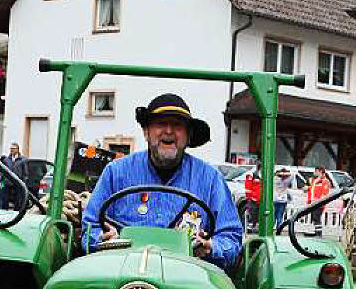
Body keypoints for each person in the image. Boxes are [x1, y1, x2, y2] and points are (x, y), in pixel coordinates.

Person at [80, 93, 242, 268]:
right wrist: (102, 239)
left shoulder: (210, 179)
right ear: (146, 132)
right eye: (160, 123)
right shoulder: (115, 173)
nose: (169, 131)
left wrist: (212, 247)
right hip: (122, 270)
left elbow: (231, 237)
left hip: (187, 275)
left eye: (178, 125)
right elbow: (90, 227)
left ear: (188, 136)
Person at [307, 165, 331, 235]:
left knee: (316, 217)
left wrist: (321, 202)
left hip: (319, 203)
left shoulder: (325, 181)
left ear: (320, 171)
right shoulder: (316, 180)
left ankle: (318, 233)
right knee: (314, 218)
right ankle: (316, 231)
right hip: (313, 202)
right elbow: (312, 191)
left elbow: (325, 193)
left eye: (316, 171)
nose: (315, 172)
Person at [2, 142, 27, 210]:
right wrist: (3, 179)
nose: (12, 150)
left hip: (17, 181)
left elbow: (25, 172)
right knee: (5, 198)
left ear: (17, 149)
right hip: (8, 181)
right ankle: (4, 211)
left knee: (17, 198)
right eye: (11, 148)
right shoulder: (7, 159)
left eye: (13, 148)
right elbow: (3, 170)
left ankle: (16, 211)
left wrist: (24, 182)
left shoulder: (22, 159)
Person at [273, 166, 293, 231]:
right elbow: (291, 176)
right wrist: (285, 174)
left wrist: (279, 173)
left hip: (275, 199)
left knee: (273, 215)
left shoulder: (274, 179)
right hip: (283, 200)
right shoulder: (287, 181)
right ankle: (278, 229)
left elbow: (275, 174)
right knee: (280, 216)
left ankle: (271, 228)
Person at [244, 167, 261, 232]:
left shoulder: (262, 175)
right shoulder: (252, 175)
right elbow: (248, 188)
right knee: (253, 213)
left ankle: (256, 226)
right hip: (254, 199)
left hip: (261, 200)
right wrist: (249, 198)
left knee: (259, 215)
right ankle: (253, 226)